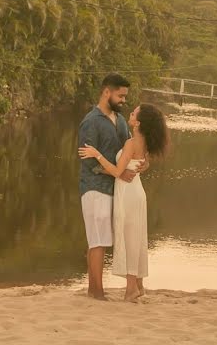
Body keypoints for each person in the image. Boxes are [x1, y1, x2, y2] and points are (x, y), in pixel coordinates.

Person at [80, 102, 170, 302]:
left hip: (128, 195)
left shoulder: (130, 143)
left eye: (134, 113)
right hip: (136, 193)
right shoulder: (143, 141)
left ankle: (131, 289)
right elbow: (142, 164)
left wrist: (97, 155)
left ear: (138, 123)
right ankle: (138, 285)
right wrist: (141, 166)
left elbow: (116, 172)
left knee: (129, 239)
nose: (130, 113)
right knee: (136, 238)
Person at [77, 74, 148, 300]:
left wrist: (141, 164)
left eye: (125, 96)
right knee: (98, 240)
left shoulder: (120, 120)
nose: (124, 100)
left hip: (117, 189)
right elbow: (88, 161)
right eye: (121, 95)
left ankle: (119, 287)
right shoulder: (91, 122)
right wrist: (120, 172)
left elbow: (130, 150)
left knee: (111, 238)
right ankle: (95, 292)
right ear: (107, 92)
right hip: (95, 187)